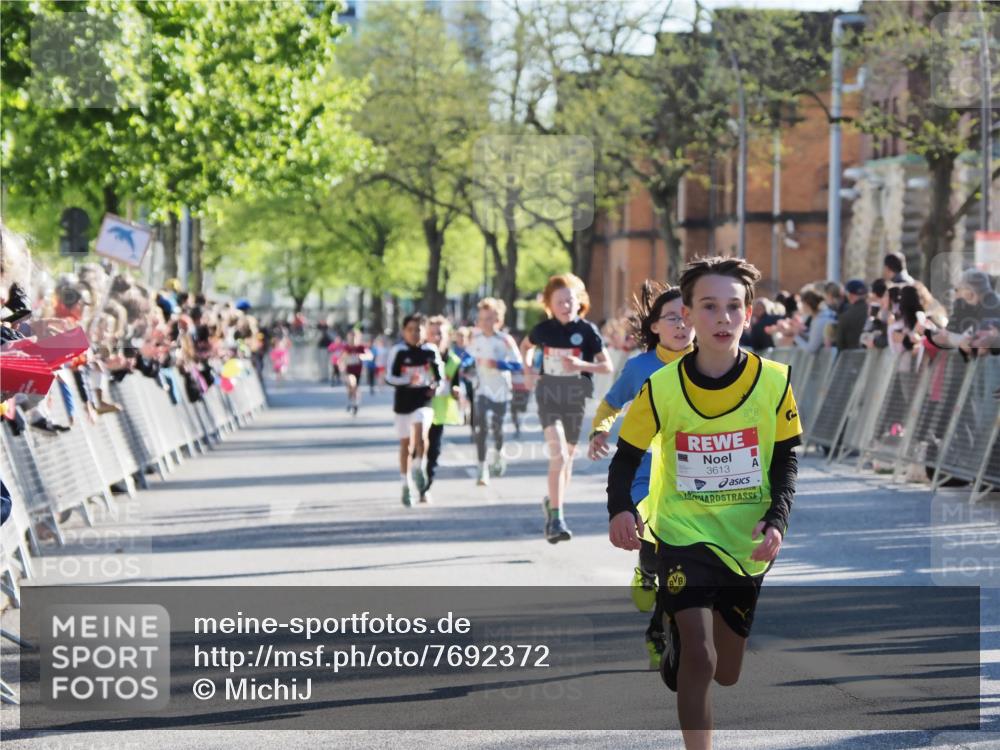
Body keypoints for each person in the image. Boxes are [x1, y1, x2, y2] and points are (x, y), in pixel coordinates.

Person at [607, 257, 801, 750]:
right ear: (687, 316)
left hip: (744, 537)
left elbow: (785, 461)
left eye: (733, 307)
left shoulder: (774, 381)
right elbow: (626, 458)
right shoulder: (661, 387)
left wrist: (778, 519)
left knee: (728, 671)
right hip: (681, 532)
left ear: (749, 314)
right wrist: (620, 509)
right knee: (702, 657)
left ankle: (677, 650)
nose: (722, 318)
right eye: (709, 306)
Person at [588, 281, 694, 668]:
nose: (681, 325)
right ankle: (645, 574)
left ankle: (658, 631)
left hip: (691, 480)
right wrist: (599, 430)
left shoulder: (711, 363)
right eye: (672, 318)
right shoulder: (640, 367)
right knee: (656, 557)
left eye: (687, 317)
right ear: (655, 327)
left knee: (681, 563)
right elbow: (611, 403)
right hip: (645, 477)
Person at [521, 273, 613, 543]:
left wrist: (581, 366)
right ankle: (557, 519)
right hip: (548, 395)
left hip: (575, 398)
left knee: (568, 460)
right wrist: (528, 371)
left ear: (579, 301)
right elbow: (525, 347)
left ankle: (552, 502)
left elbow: (606, 365)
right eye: (560, 301)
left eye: (570, 300)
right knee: (558, 455)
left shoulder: (586, 330)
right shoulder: (544, 330)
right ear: (549, 304)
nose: (566, 305)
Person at [384, 314, 444, 507]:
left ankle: (419, 465)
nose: (414, 333)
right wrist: (408, 381)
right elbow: (390, 377)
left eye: (418, 330)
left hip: (423, 400)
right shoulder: (399, 351)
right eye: (410, 330)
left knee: (421, 432)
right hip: (403, 403)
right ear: (403, 331)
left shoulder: (430, 351)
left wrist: (435, 386)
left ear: (424, 331)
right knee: (405, 445)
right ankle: (406, 484)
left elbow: (440, 377)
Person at [466, 298, 523, 485]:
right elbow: (468, 356)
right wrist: (463, 366)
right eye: (482, 318)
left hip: (501, 391)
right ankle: (482, 469)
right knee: (481, 428)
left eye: (489, 318)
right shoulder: (476, 339)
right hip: (482, 390)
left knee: (497, 429)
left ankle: (498, 454)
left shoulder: (505, 340)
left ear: (498, 319)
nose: (485, 322)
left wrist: (497, 364)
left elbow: (517, 364)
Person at [424, 316, 464, 504]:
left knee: (434, 450)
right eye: (432, 333)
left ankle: (426, 486)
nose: (436, 337)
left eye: (439, 333)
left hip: (440, 412)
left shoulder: (454, 360)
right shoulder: (421, 355)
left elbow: (456, 384)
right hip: (422, 408)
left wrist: (457, 391)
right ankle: (415, 475)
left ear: (447, 336)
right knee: (418, 448)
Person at [339, 328, 372, 415]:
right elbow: (341, 359)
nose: (352, 339)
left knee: (355, 387)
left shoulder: (361, 347)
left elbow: (370, 356)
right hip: (348, 371)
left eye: (354, 337)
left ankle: (355, 403)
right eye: (351, 337)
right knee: (351, 384)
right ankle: (351, 402)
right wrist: (341, 367)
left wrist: (361, 356)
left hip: (358, 371)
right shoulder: (346, 348)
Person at [835, 279, 869, 350]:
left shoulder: (845, 316)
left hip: (851, 358)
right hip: (872, 358)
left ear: (850, 295)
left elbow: (840, 344)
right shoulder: (874, 312)